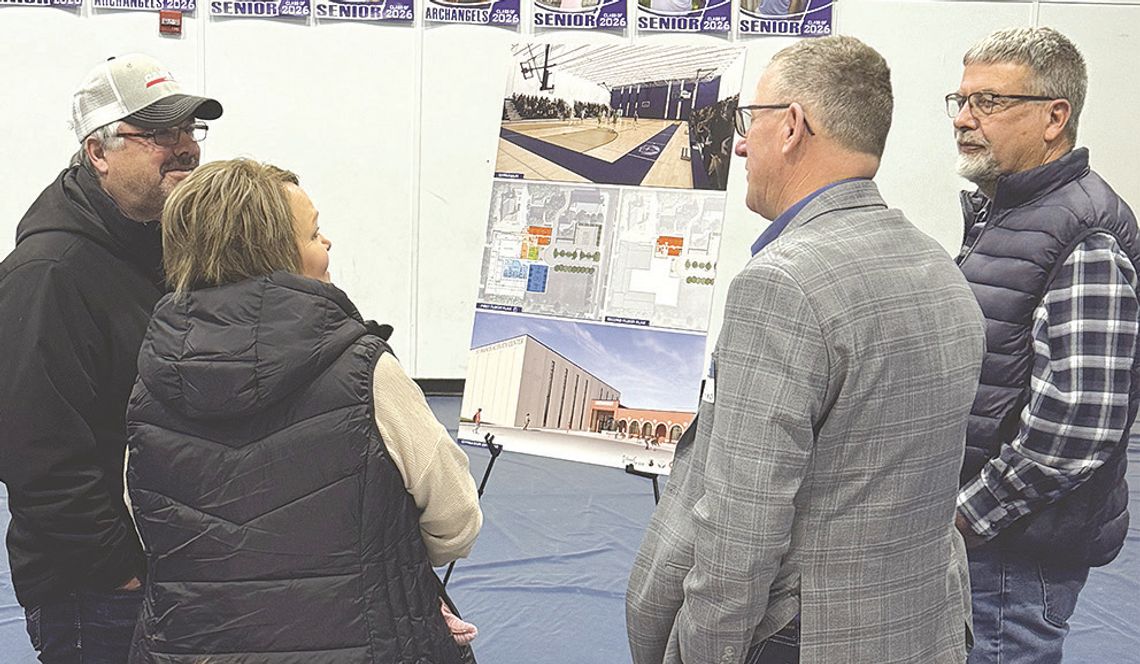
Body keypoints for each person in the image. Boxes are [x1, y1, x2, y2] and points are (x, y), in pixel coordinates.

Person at [626, 36, 986, 664]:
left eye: (748, 121)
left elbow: (740, 530)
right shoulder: (936, 264)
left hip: (808, 639)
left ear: (791, 127)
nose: (739, 142)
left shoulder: (782, 285)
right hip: (921, 627)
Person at [124, 159, 483, 663]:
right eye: (315, 233)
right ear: (273, 252)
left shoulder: (149, 385)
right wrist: (388, 563)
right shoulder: (367, 372)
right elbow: (456, 517)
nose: (328, 243)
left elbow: (147, 522)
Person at [0, 53, 222, 664]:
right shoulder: (49, 275)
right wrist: (115, 570)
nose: (183, 149)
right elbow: (37, 453)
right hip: (97, 590)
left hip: (166, 566)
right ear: (98, 152)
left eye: (188, 132)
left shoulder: (161, 248)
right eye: (157, 135)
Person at [948, 27, 1139, 664]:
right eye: (962, 99)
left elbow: (1076, 428)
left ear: (1055, 116)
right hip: (996, 543)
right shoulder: (1005, 210)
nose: (964, 119)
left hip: (1014, 555)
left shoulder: (1084, 233)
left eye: (989, 103)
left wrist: (967, 516)